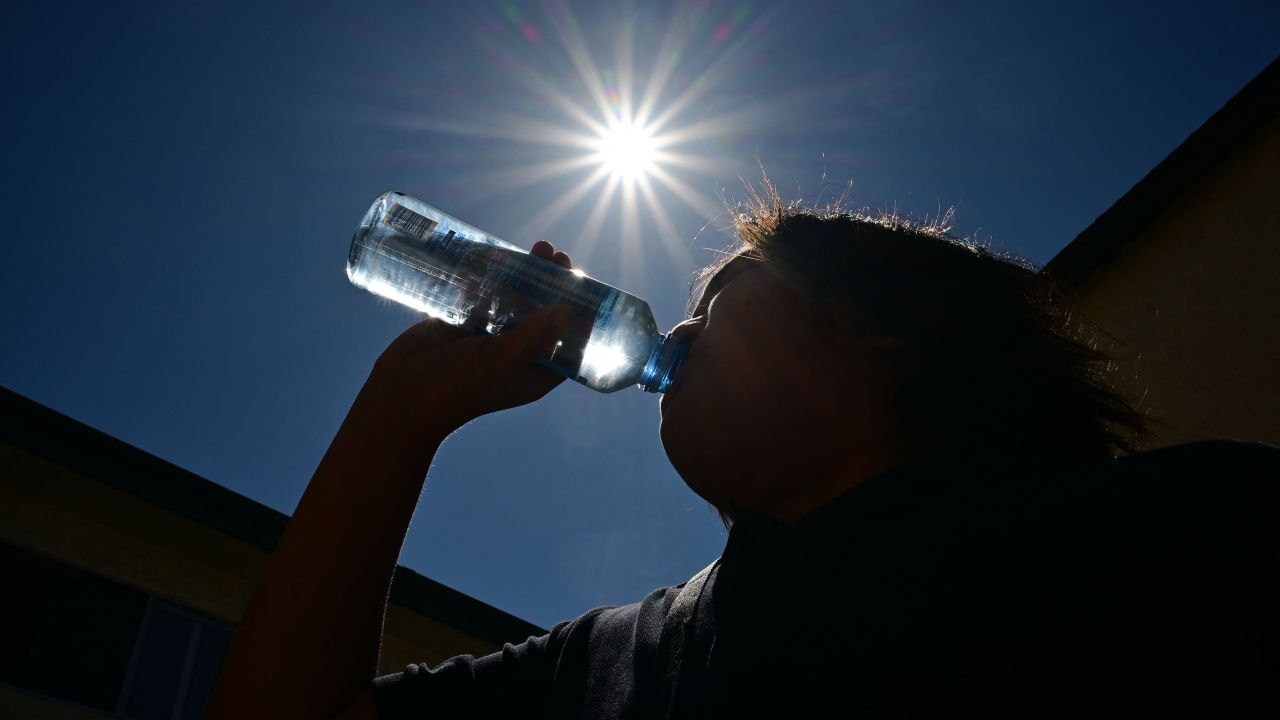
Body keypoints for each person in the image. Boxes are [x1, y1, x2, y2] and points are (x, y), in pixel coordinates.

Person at [206, 184, 1277, 719]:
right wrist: (400, 411)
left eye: (717, 301)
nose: (673, 333)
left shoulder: (1175, 534)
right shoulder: (616, 658)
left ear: (880, 331)